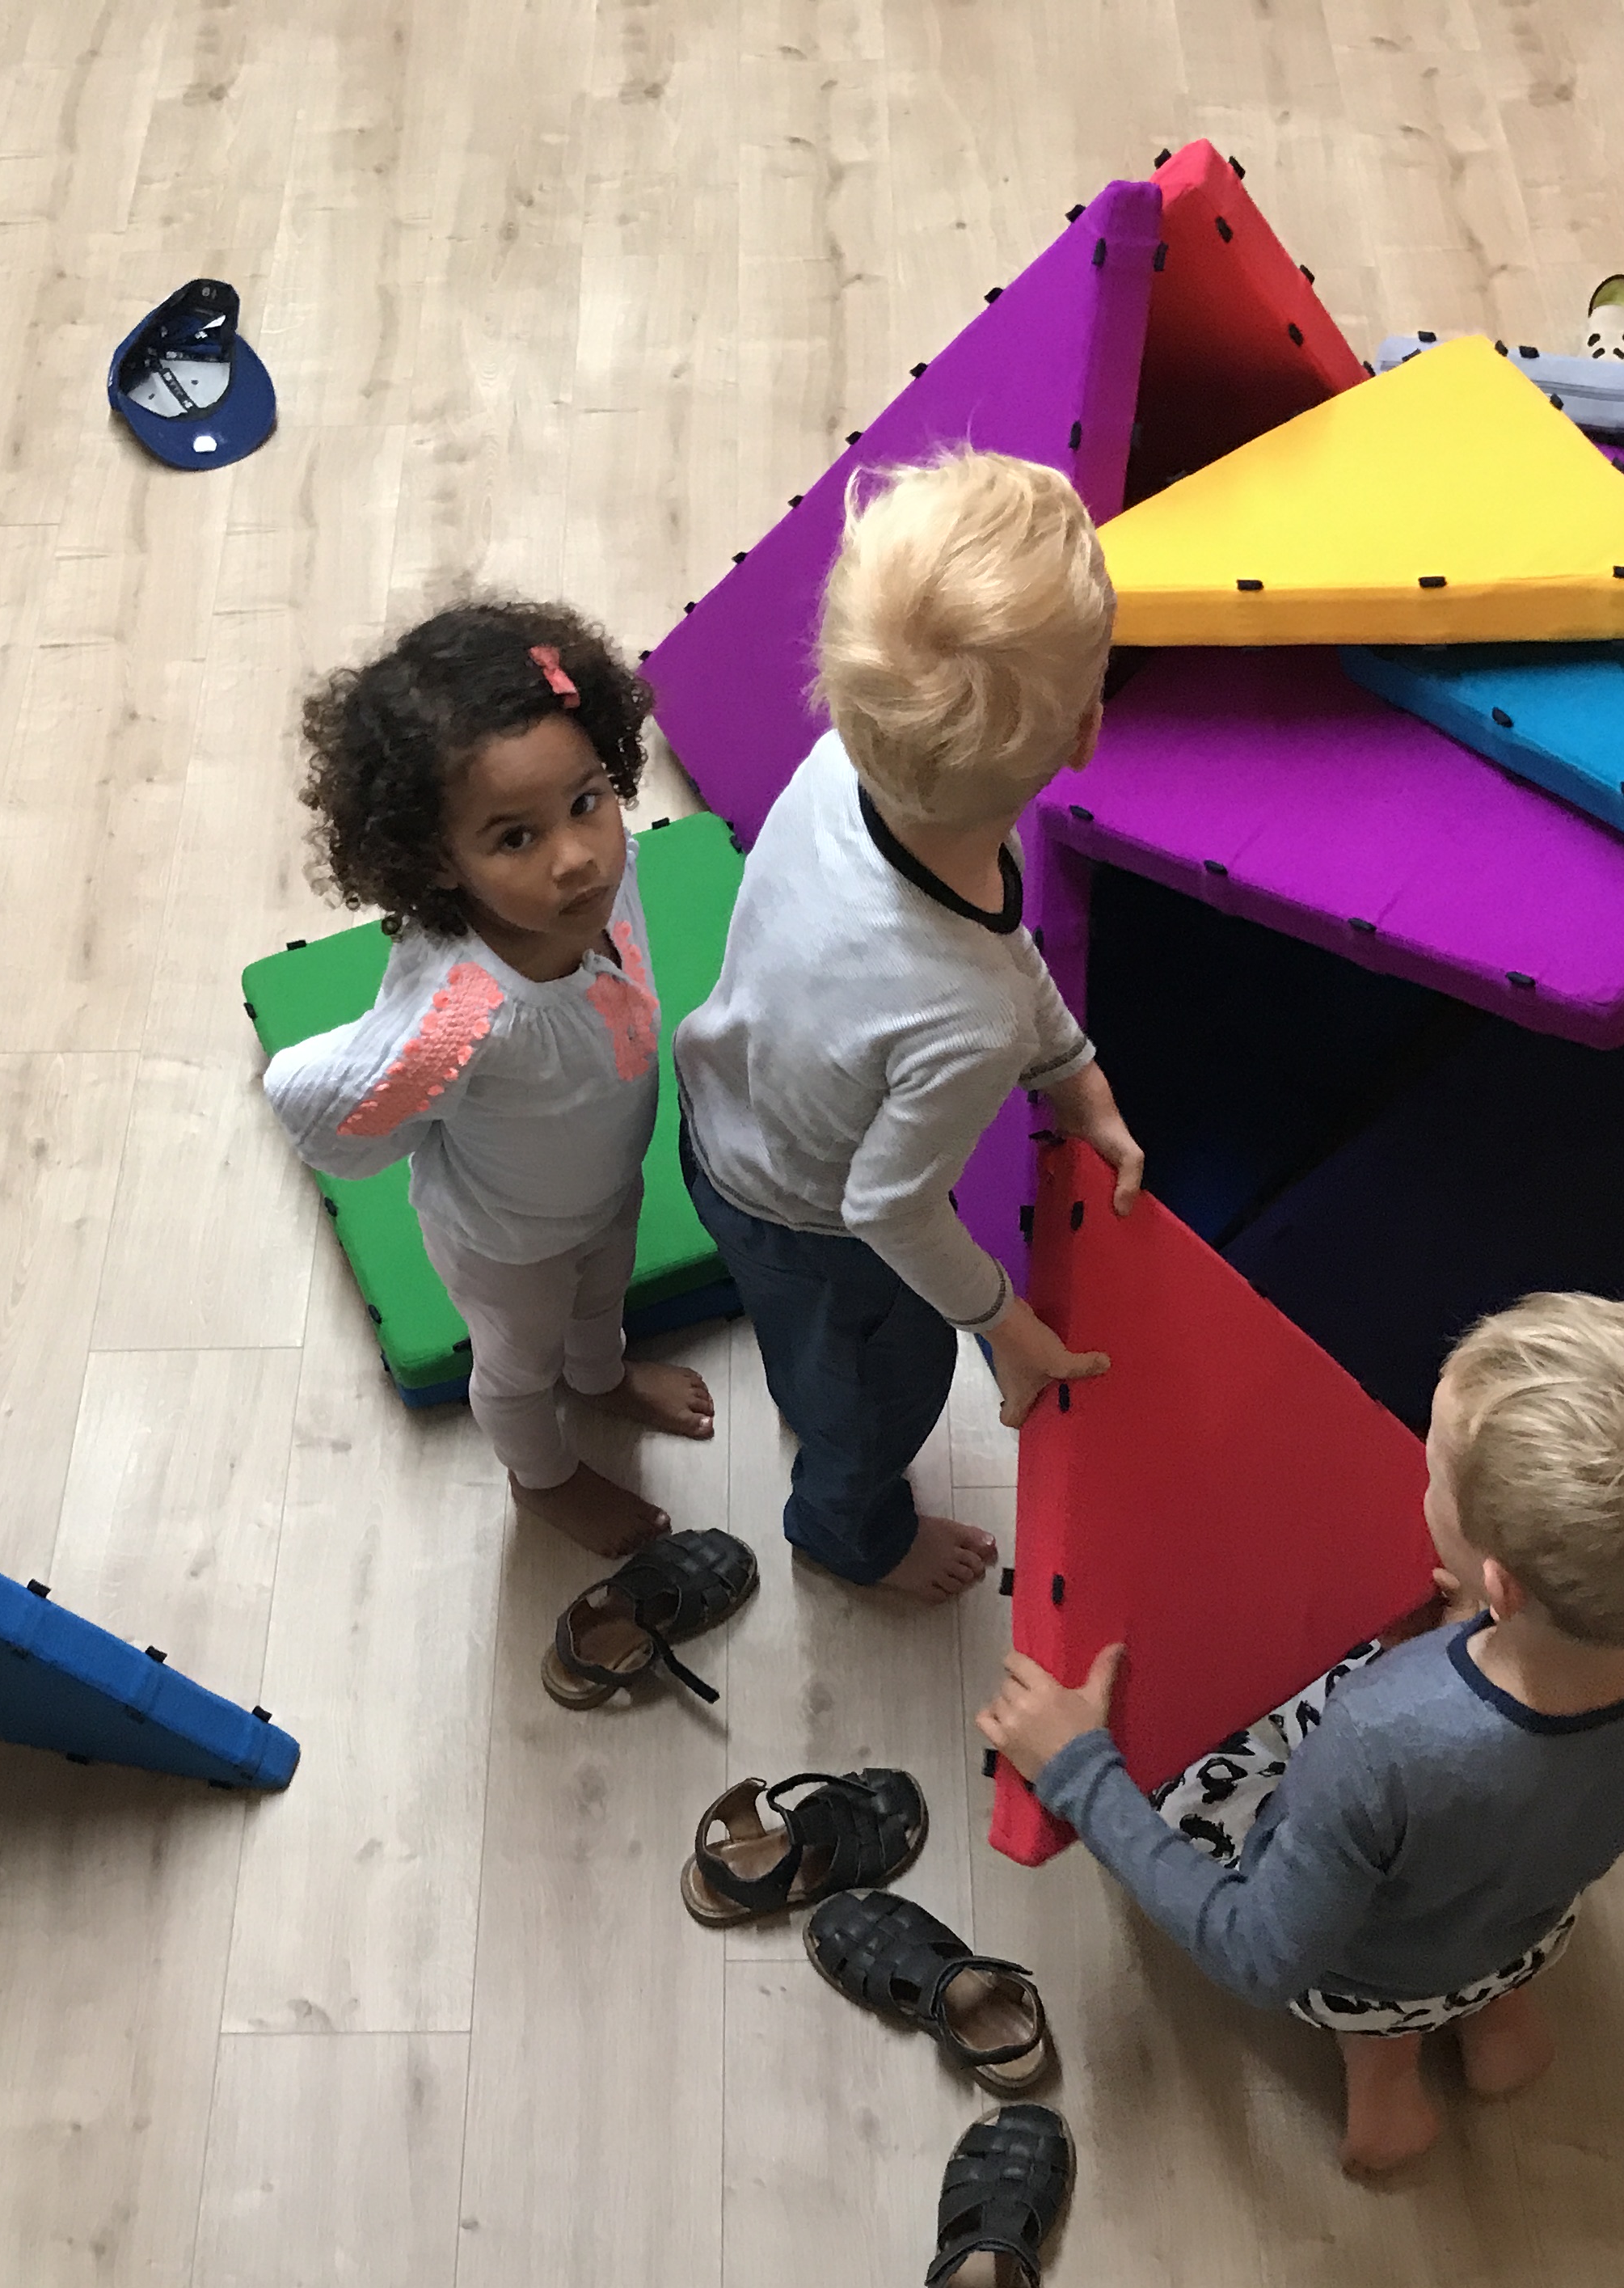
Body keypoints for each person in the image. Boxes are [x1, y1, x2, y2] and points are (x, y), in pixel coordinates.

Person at [977, 1293, 1624, 2173]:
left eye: (1432, 1474)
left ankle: (1385, 2086)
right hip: (1525, 1926)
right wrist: (1475, 1628)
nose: (1416, 1477)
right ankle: (1498, 2021)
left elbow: (1259, 1954)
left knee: (1190, 1776)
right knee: (1471, 1916)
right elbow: (1576, 1779)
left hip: (1364, 1980)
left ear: (1503, 1585)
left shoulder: (1380, 1739)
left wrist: (1082, 1772)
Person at [673, 448, 1144, 1606]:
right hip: (815, 1222)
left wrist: (1072, 1070)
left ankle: (809, 1384)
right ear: (1085, 733)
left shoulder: (844, 764)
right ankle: (850, 1536)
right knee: (879, 1400)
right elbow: (885, 1207)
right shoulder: (970, 1019)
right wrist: (1006, 1326)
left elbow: (993, 935)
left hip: (719, 1113)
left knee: (810, 1351)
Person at [267, 601, 715, 1560]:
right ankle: (541, 1479)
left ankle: (601, 1379)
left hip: (605, 1184)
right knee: (516, 1369)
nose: (575, 858)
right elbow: (320, 1104)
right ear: (440, 860)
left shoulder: (611, 871)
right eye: (515, 839)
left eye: (586, 802)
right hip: (505, 1243)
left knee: (602, 1300)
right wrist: (407, 1068)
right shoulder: (465, 1016)